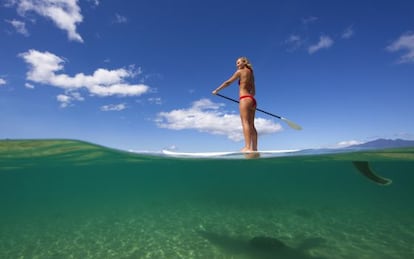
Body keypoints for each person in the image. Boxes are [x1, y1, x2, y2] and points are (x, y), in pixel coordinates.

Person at [212, 57, 258, 152]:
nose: (237, 65)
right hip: (252, 100)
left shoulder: (240, 72)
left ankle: (247, 147)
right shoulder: (251, 74)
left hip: (244, 99)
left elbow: (228, 82)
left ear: (244, 62)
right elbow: (253, 91)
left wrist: (217, 90)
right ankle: (254, 148)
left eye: (238, 63)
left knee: (245, 122)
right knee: (251, 125)